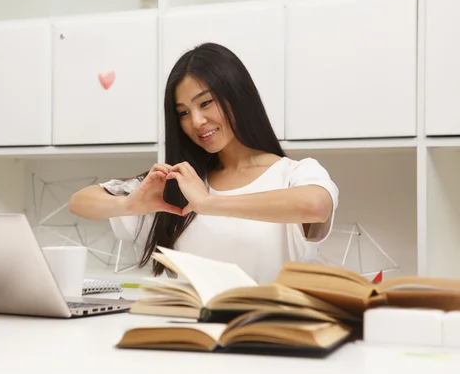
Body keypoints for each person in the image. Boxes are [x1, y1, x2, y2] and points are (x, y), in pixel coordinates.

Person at [69, 43, 338, 284]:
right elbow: (80, 202)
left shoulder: (294, 173)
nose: (196, 121)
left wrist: (208, 203)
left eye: (206, 103)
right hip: (187, 332)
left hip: (266, 333)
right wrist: (126, 205)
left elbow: (315, 205)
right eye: (183, 113)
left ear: (237, 96)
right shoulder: (181, 182)